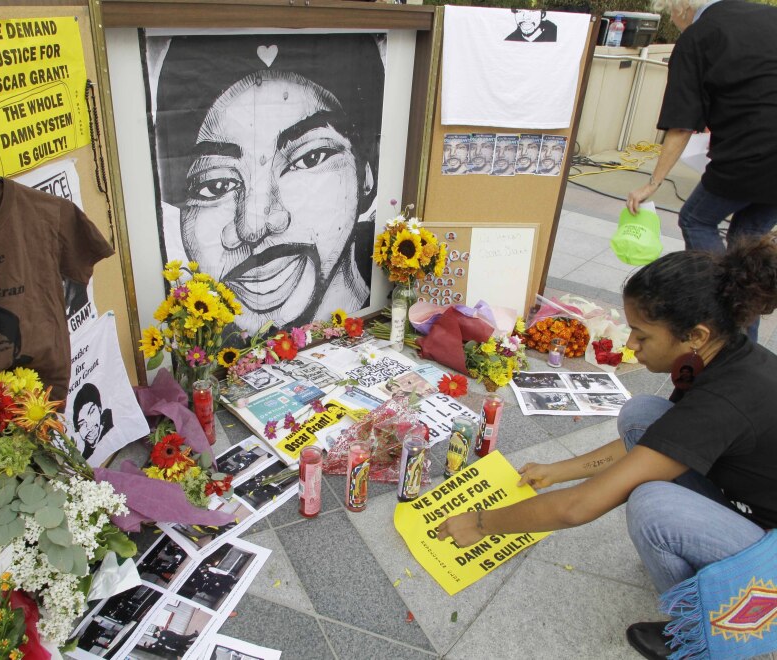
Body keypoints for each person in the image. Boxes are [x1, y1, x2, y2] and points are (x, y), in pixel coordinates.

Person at [436, 236, 777, 659]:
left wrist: (482, 523)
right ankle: (707, 565)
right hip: (752, 508)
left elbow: (578, 508)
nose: (629, 346)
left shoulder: (726, 397)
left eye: (641, 335)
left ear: (695, 334)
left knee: (654, 506)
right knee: (642, 414)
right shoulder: (714, 357)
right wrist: (558, 469)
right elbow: (662, 441)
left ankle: (705, 629)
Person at [152, 33, 384, 336]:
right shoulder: (198, 345)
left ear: (366, 172)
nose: (253, 227)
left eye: (310, 158)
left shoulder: (387, 289)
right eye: (216, 186)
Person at [626, 0, 777, 342]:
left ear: (681, 8)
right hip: (762, 155)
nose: (674, 22)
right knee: (747, 244)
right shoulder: (768, 16)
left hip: (751, 150)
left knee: (696, 218)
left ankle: (724, 310)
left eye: (671, 15)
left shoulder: (698, 35)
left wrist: (653, 183)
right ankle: (743, 342)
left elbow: (681, 124)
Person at [72, 382, 114, 459]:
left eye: (91, 412)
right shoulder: (83, 459)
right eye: (82, 423)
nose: (89, 426)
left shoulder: (111, 421)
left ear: (100, 409)